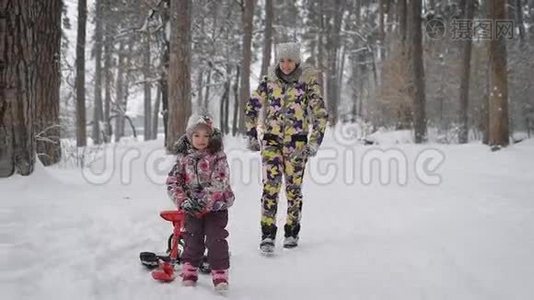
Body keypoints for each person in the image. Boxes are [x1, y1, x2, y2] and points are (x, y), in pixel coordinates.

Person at [244, 42, 328, 254]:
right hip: (271, 141)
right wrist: (252, 132)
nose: (286, 65)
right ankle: (267, 234)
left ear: (297, 61)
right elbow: (252, 106)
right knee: (270, 188)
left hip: (297, 143)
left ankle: (291, 231)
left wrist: (314, 142)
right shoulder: (269, 81)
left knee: (293, 190)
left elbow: (320, 115)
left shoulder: (307, 82)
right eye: (282, 60)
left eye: (290, 60)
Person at [166, 112, 235, 290]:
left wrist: (204, 201)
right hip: (192, 208)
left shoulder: (218, 156)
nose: (201, 139)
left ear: (212, 137)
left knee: (215, 238)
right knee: (192, 237)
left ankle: (220, 274)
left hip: (216, 207)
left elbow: (221, 180)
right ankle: (190, 270)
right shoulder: (183, 158)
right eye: (196, 135)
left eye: (206, 135)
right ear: (189, 136)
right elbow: (173, 181)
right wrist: (183, 201)